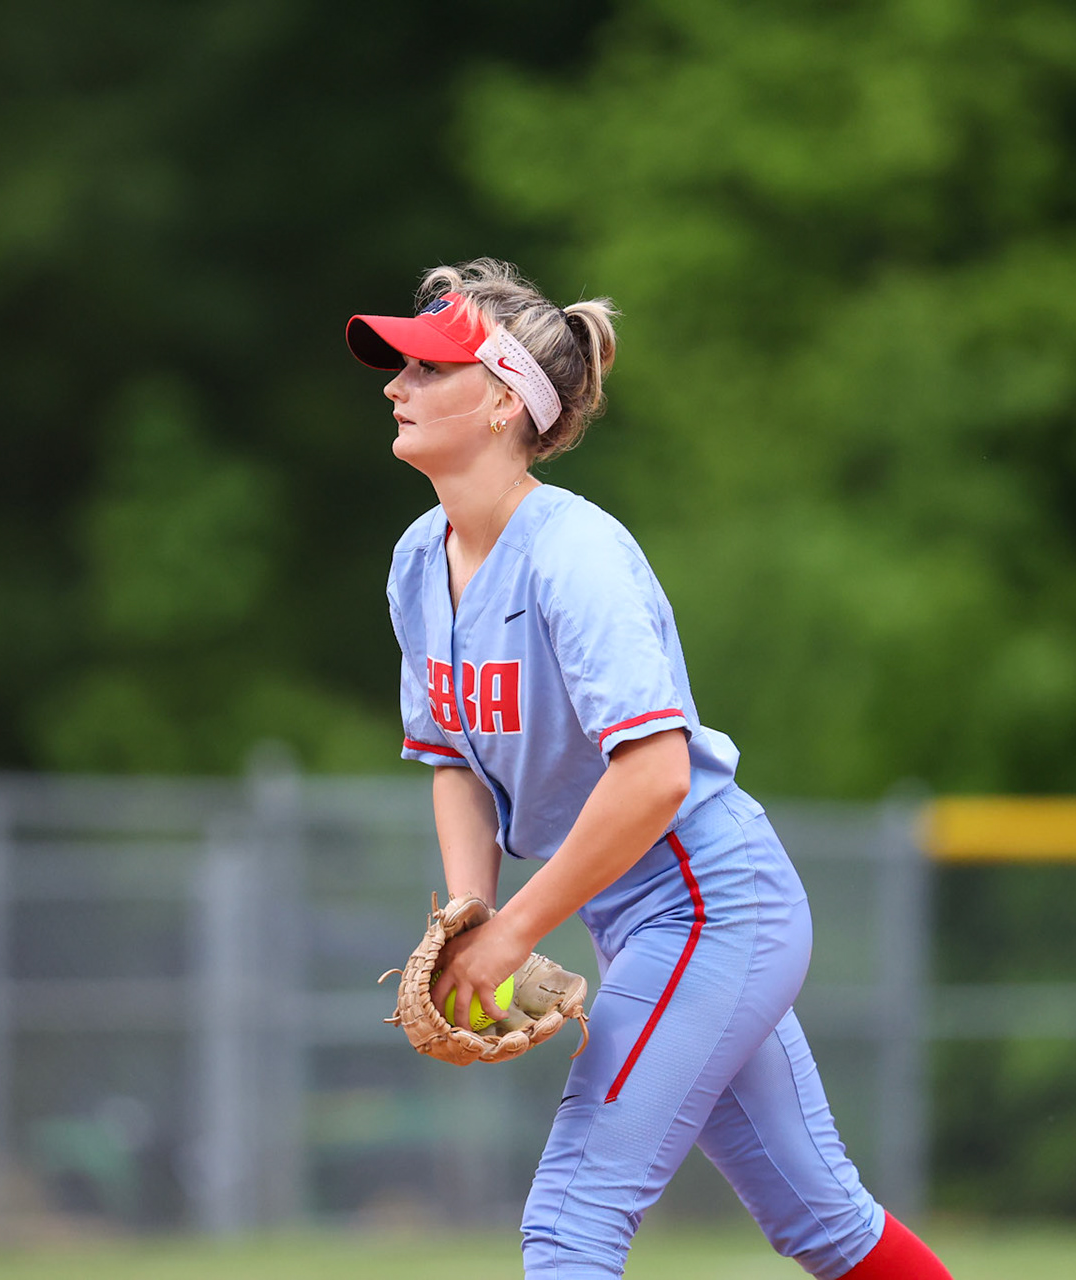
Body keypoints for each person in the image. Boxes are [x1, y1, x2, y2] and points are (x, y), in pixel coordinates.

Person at [348, 259, 951, 1280]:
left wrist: (516, 931)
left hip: (713, 902)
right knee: (823, 1219)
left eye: (429, 366)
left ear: (502, 401)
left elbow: (657, 774)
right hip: (642, 920)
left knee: (571, 1219)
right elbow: (452, 760)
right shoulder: (419, 559)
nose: (397, 384)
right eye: (401, 365)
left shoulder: (573, 554)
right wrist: (468, 916)